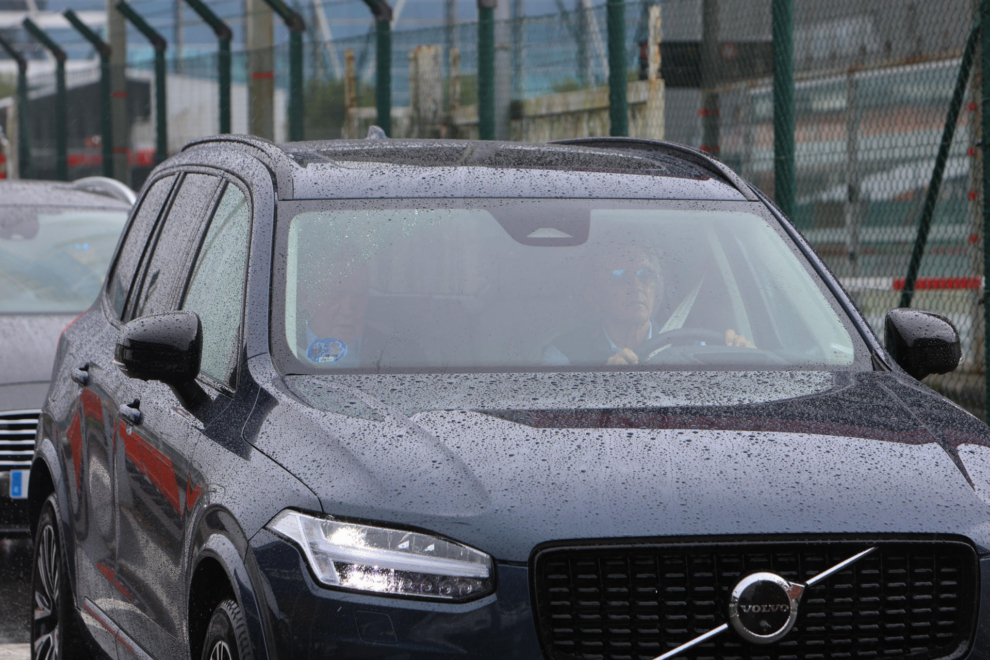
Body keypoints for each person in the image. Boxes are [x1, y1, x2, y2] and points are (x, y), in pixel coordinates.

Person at [542, 243, 754, 366]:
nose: (636, 286)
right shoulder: (565, 355)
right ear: (594, 295)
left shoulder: (692, 348)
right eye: (619, 276)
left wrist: (747, 360)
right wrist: (600, 384)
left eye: (645, 275)